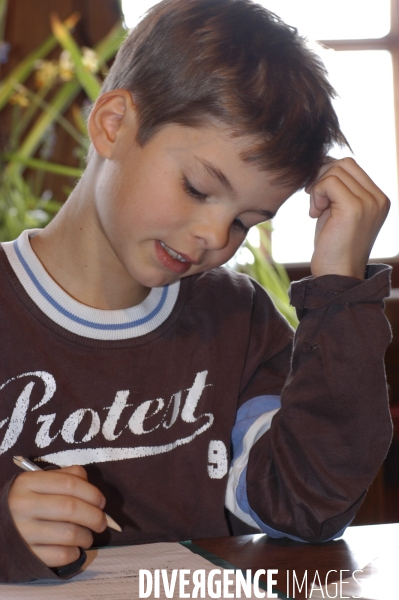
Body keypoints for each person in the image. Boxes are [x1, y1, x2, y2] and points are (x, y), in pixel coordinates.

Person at [0, 0, 392, 584]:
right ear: (112, 125)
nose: (215, 237)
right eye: (199, 187)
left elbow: (308, 505)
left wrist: (339, 287)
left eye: (246, 222)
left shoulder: (240, 320)